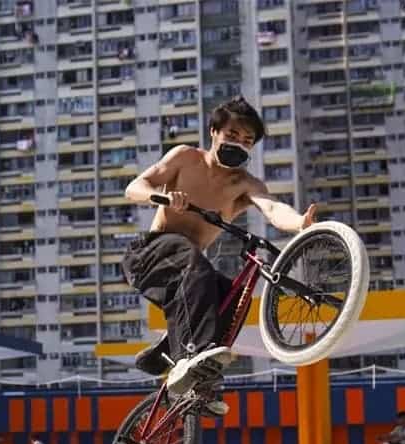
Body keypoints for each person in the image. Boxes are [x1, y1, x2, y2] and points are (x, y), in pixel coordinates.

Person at [122, 96, 318, 414]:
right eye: (231, 136)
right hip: (148, 257)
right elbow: (135, 186)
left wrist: (299, 223)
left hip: (186, 270)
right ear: (214, 132)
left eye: (247, 141)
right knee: (193, 261)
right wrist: (163, 197)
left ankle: (197, 378)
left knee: (232, 296)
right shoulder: (186, 158)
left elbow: (271, 207)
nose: (238, 144)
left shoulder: (242, 184)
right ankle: (187, 350)